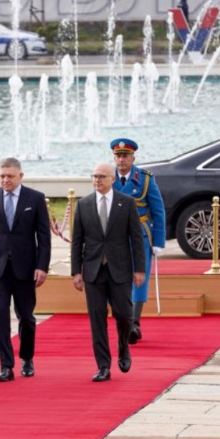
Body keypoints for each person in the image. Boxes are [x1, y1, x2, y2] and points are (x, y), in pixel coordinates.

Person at [0, 157, 51, 382]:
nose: (5, 180)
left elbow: (43, 237)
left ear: (20, 176)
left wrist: (42, 267)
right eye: (2, 176)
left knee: (26, 316)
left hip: (25, 267)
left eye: (10, 176)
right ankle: (6, 365)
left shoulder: (34, 198)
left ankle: (27, 358)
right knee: (0, 314)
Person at [71, 163, 145, 382]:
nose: (97, 180)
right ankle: (103, 365)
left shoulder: (127, 203)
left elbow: (136, 239)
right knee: (97, 318)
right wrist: (76, 271)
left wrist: (139, 269)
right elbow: (77, 241)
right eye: (94, 176)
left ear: (112, 179)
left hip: (120, 269)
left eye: (102, 176)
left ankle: (123, 348)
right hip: (93, 271)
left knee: (123, 314)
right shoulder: (83, 205)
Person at [110, 138, 165, 344]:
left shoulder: (145, 179)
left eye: (125, 156)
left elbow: (158, 211)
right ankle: (122, 319)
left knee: (138, 278)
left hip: (140, 234)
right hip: (114, 236)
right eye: (118, 156)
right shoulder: (107, 177)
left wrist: (158, 241)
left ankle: (134, 323)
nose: (121, 160)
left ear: (133, 158)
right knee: (115, 277)